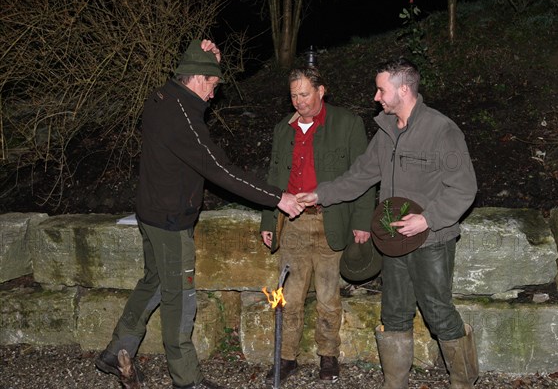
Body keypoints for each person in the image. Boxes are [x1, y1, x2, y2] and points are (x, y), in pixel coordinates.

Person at [95, 39, 304, 389]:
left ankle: (116, 351)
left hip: (151, 215)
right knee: (181, 300)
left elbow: (193, 76)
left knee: (155, 282)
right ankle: (186, 379)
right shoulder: (182, 118)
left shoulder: (162, 97)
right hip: (170, 221)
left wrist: (205, 54)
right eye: (212, 84)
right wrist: (277, 197)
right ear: (196, 80)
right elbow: (221, 170)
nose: (213, 94)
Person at [297, 57, 479, 389]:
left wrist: (427, 219)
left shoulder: (442, 130)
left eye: (381, 90)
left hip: (432, 242)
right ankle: (394, 384)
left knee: (438, 312)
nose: (376, 97)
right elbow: (359, 176)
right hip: (393, 242)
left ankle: (464, 382)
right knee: (394, 314)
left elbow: (465, 187)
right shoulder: (385, 134)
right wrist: (318, 195)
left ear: (403, 89)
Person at [260, 66, 376, 385]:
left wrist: (362, 221)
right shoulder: (283, 129)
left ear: (321, 91)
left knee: (328, 296)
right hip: (293, 224)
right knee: (289, 296)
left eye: (305, 94)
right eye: (294, 95)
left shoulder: (348, 124)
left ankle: (328, 355)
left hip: (332, 221)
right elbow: (273, 178)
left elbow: (363, 176)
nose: (299, 101)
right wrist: (269, 219)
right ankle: (286, 358)